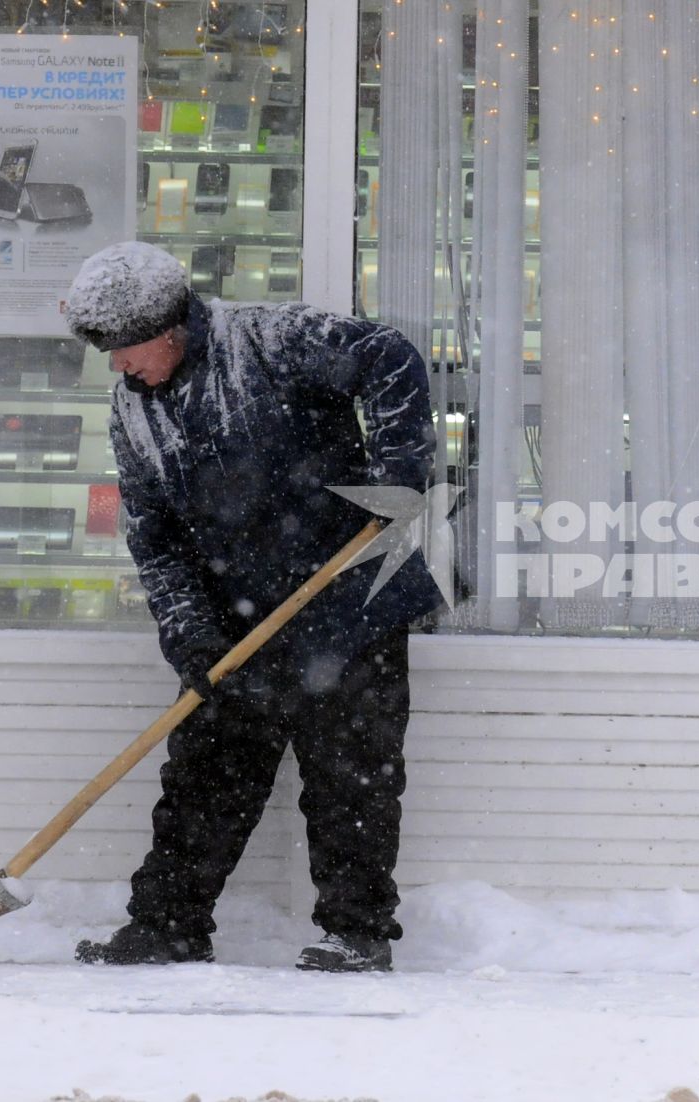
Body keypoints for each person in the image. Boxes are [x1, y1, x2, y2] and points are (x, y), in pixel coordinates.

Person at [64, 242, 443, 971]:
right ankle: (168, 925)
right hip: (235, 621)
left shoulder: (270, 340)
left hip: (348, 599)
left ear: (167, 326)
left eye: (124, 348)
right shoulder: (133, 412)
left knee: (350, 780)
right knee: (204, 776)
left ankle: (356, 933)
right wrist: (190, 635)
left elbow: (390, 359)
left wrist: (397, 480)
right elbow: (155, 534)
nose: (117, 366)